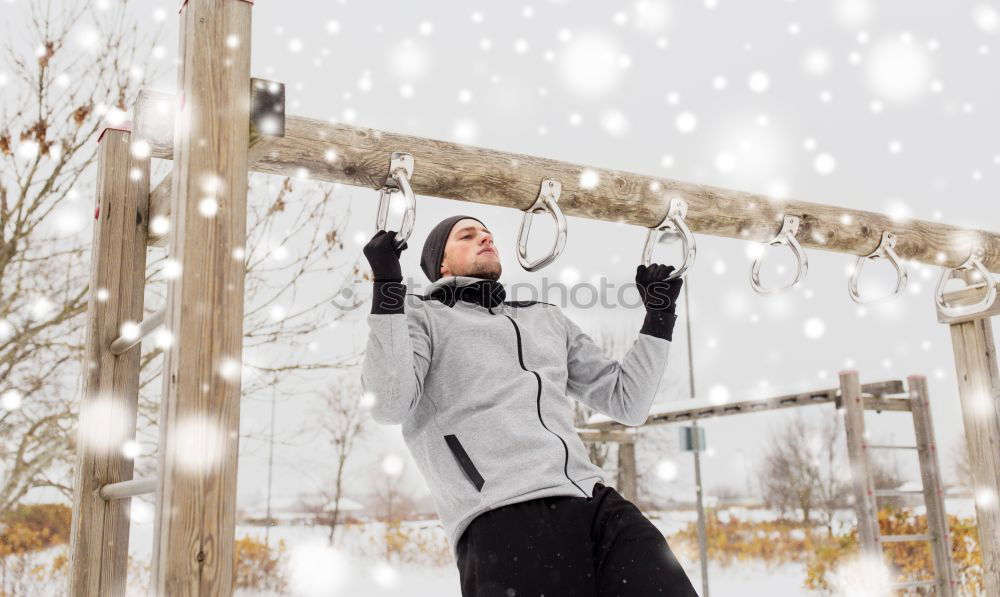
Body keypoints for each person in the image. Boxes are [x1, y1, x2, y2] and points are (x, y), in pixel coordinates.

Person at [361, 215, 698, 596]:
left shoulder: (545, 318)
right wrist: (387, 287)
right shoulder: (421, 318)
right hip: (502, 516)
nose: (485, 238)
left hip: (594, 504)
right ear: (441, 263)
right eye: (467, 236)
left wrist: (658, 315)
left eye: (487, 233)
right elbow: (388, 404)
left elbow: (627, 401)